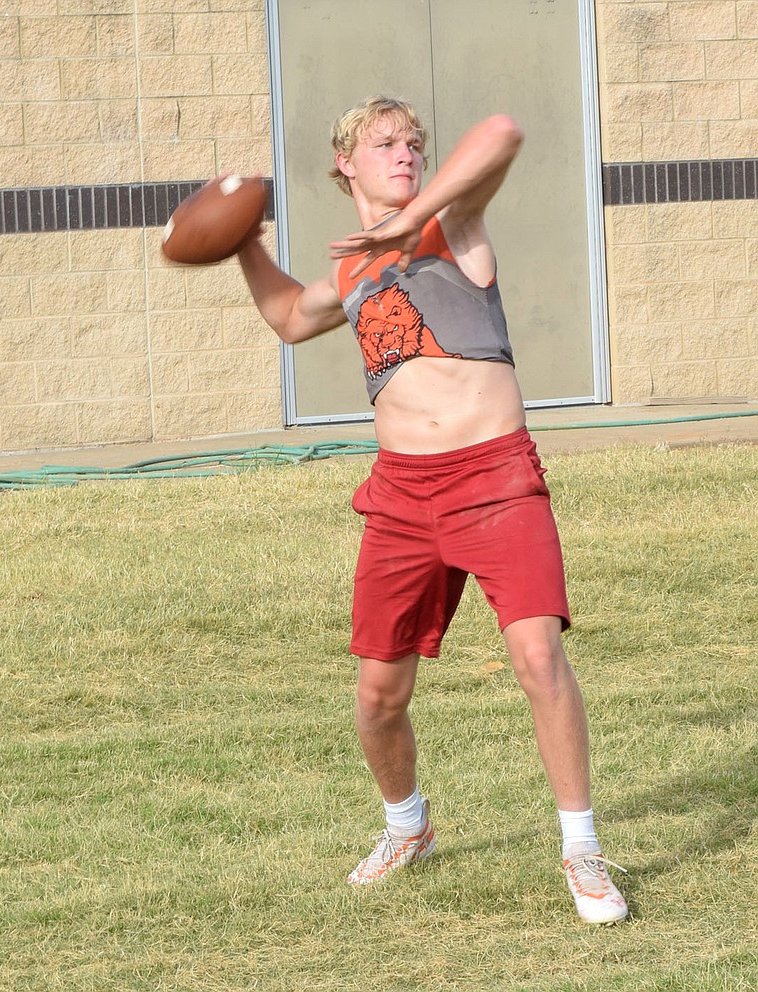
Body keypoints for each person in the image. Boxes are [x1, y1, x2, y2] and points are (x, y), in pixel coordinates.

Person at [236, 95, 628, 925]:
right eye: (385, 143)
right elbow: (284, 314)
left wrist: (407, 218)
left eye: (414, 142)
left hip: (494, 478)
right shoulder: (349, 276)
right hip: (402, 495)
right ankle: (407, 828)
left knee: (536, 658)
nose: (406, 152)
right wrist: (241, 242)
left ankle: (582, 850)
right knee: (378, 695)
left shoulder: (452, 223)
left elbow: (506, 131)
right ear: (345, 162)